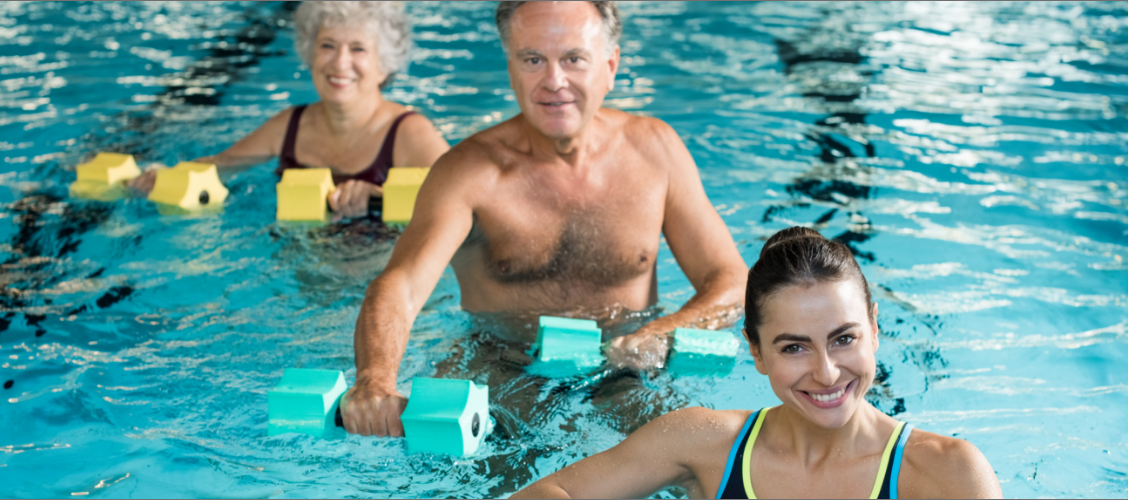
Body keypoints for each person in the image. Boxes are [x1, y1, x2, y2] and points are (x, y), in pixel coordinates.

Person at [340, 0, 748, 437]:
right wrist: (374, 379)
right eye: (533, 60)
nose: (554, 82)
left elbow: (731, 280)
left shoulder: (655, 152)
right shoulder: (467, 173)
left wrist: (662, 333)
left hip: (626, 368)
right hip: (505, 368)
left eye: (574, 59)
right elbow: (401, 285)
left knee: (691, 463)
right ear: (511, 68)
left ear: (610, 65)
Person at [510, 227, 1003, 499]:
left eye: (844, 339)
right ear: (755, 351)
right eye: (794, 347)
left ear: (875, 328)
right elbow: (552, 492)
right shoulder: (704, 444)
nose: (827, 373)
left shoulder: (947, 475)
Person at [129, 1, 449, 218]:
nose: (340, 63)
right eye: (327, 45)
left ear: (384, 66)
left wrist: (378, 195)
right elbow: (219, 165)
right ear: (309, 53)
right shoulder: (289, 126)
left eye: (358, 49)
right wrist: (160, 177)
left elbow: (462, 203)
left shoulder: (409, 133)